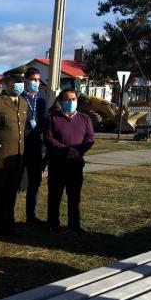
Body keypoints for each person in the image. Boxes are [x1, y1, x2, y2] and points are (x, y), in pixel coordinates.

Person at [44, 88, 95, 232]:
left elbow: (90, 138)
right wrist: (66, 150)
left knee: (74, 196)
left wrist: (78, 150)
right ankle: (53, 223)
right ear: (61, 101)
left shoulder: (85, 119)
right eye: (67, 99)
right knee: (55, 195)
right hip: (57, 164)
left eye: (73, 99)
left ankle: (74, 224)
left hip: (76, 164)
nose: (70, 102)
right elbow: (48, 138)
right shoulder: (52, 118)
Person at [0, 66, 27, 237]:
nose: (20, 85)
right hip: (0, 158)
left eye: (21, 82)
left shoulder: (23, 103)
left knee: (11, 194)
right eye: (17, 82)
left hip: (16, 158)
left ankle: (8, 225)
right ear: (8, 83)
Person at [21, 67, 47, 224]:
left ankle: (32, 214)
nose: (36, 83)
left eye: (38, 80)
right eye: (33, 79)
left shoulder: (42, 98)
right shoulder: (20, 97)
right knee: (16, 181)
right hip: (21, 145)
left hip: (36, 146)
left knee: (35, 181)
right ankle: (6, 215)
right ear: (26, 80)